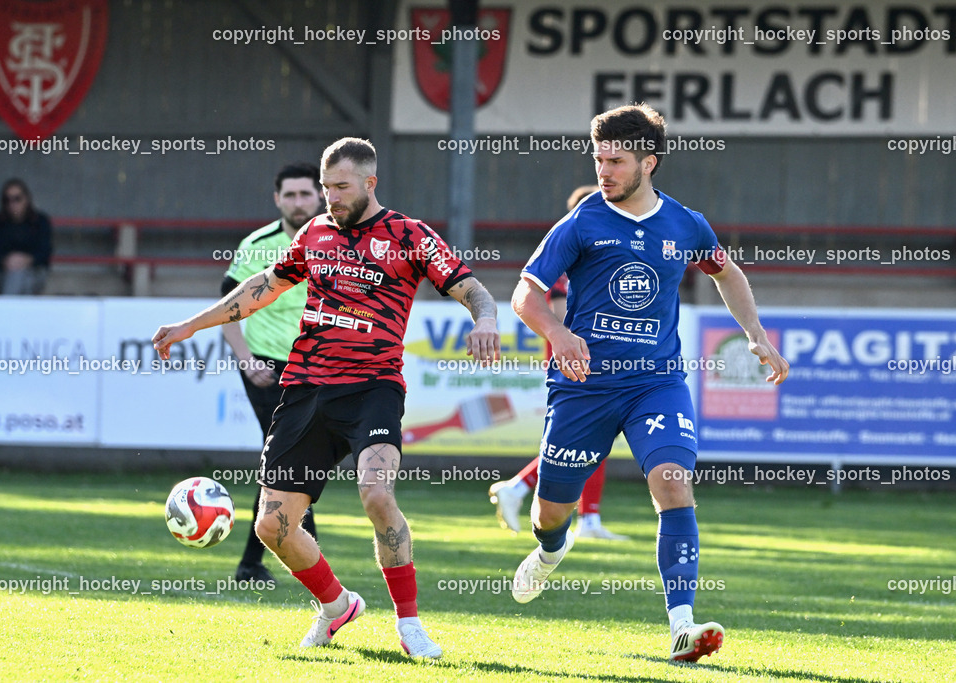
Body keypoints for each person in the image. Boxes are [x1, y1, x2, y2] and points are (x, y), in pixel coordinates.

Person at [152, 138, 500, 660]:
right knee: (272, 526)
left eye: (340, 187)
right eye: (325, 187)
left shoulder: (409, 235)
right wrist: (189, 325)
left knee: (377, 495)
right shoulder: (315, 233)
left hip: (372, 388)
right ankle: (337, 605)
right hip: (307, 387)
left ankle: (410, 624)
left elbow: (470, 287)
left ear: (369, 183)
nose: (330, 197)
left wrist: (486, 320)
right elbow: (262, 287)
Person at [509, 104, 789, 663]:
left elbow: (727, 272)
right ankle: (550, 549)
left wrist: (755, 333)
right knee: (550, 513)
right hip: (584, 387)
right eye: (599, 159)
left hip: (655, 383)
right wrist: (558, 333)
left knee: (673, 482)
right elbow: (525, 294)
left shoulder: (686, 224)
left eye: (615, 161)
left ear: (649, 162)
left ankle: (682, 626)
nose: (604, 170)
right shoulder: (582, 221)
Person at [488, 185, 628, 541]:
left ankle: (535, 495)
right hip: (579, 359)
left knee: (592, 438)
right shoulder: (572, 258)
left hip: (585, 358)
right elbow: (563, 315)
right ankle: (570, 511)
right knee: (588, 438)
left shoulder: (581, 253)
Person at [221, 163, 323, 585]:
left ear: (319, 196)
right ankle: (302, 563)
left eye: (305, 194)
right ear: (277, 199)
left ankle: (255, 563)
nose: (298, 202)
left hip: (317, 367)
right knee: (287, 460)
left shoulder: (336, 241)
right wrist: (246, 360)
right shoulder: (258, 245)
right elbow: (228, 307)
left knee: (293, 465)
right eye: (290, 195)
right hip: (267, 367)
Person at [0, 178, 52, 295]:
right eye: (7, 200)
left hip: (34, 271)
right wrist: (5, 261)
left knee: (19, 276)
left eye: (17, 199)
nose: (12, 204)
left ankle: (7, 304)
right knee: (19, 278)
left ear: (27, 199)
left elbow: (45, 251)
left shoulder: (40, 221)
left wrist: (27, 260)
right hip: (2, 273)